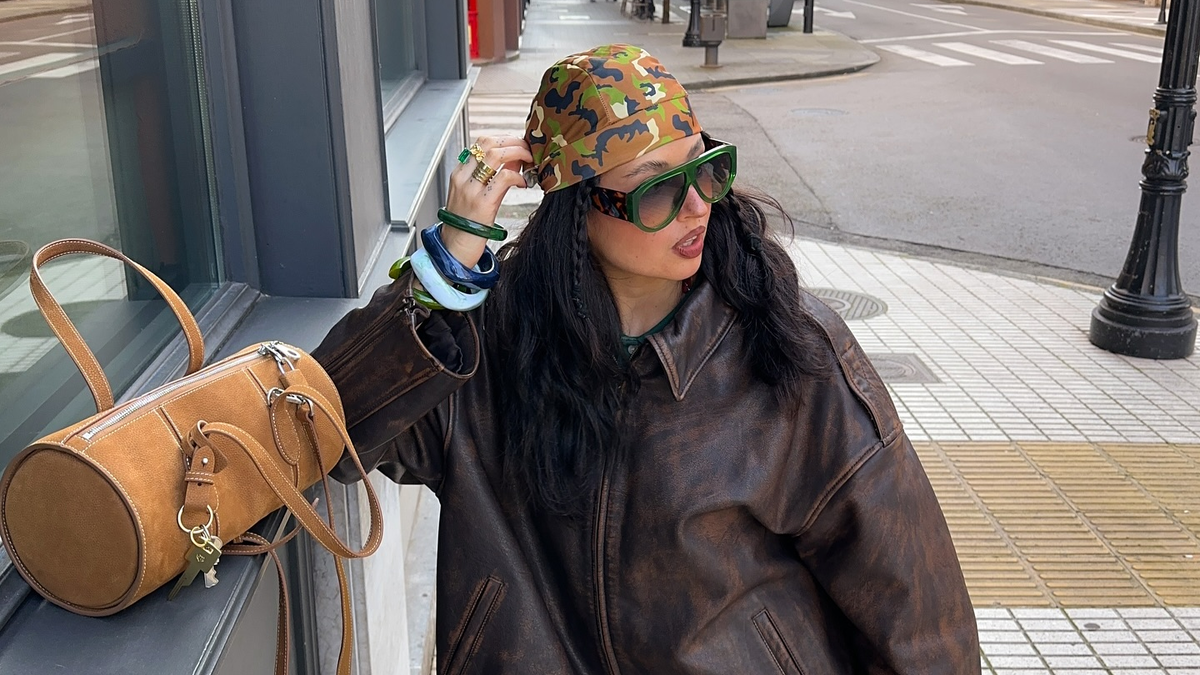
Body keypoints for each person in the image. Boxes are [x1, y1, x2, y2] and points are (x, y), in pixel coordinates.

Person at [312, 43, 980, 674]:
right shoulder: (487, 348)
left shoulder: (784, 344)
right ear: (578, 210)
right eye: (655, 188)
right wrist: (445, 265)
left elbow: (915, 612)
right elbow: (321, 433)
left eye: (703, 168)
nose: (696, 207)